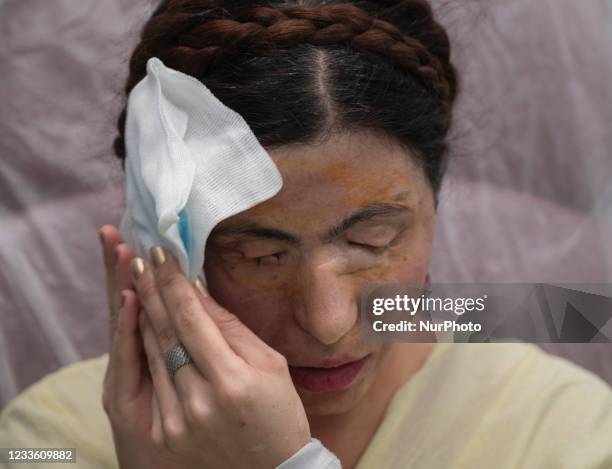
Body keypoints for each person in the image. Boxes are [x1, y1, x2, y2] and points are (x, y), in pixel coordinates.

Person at [1, 1, 611, 468]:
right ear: (169, 247)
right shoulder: (50, 440)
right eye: (259, 255)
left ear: (436, 199)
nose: (327, 321)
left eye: (373, 240)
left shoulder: (564, 434)